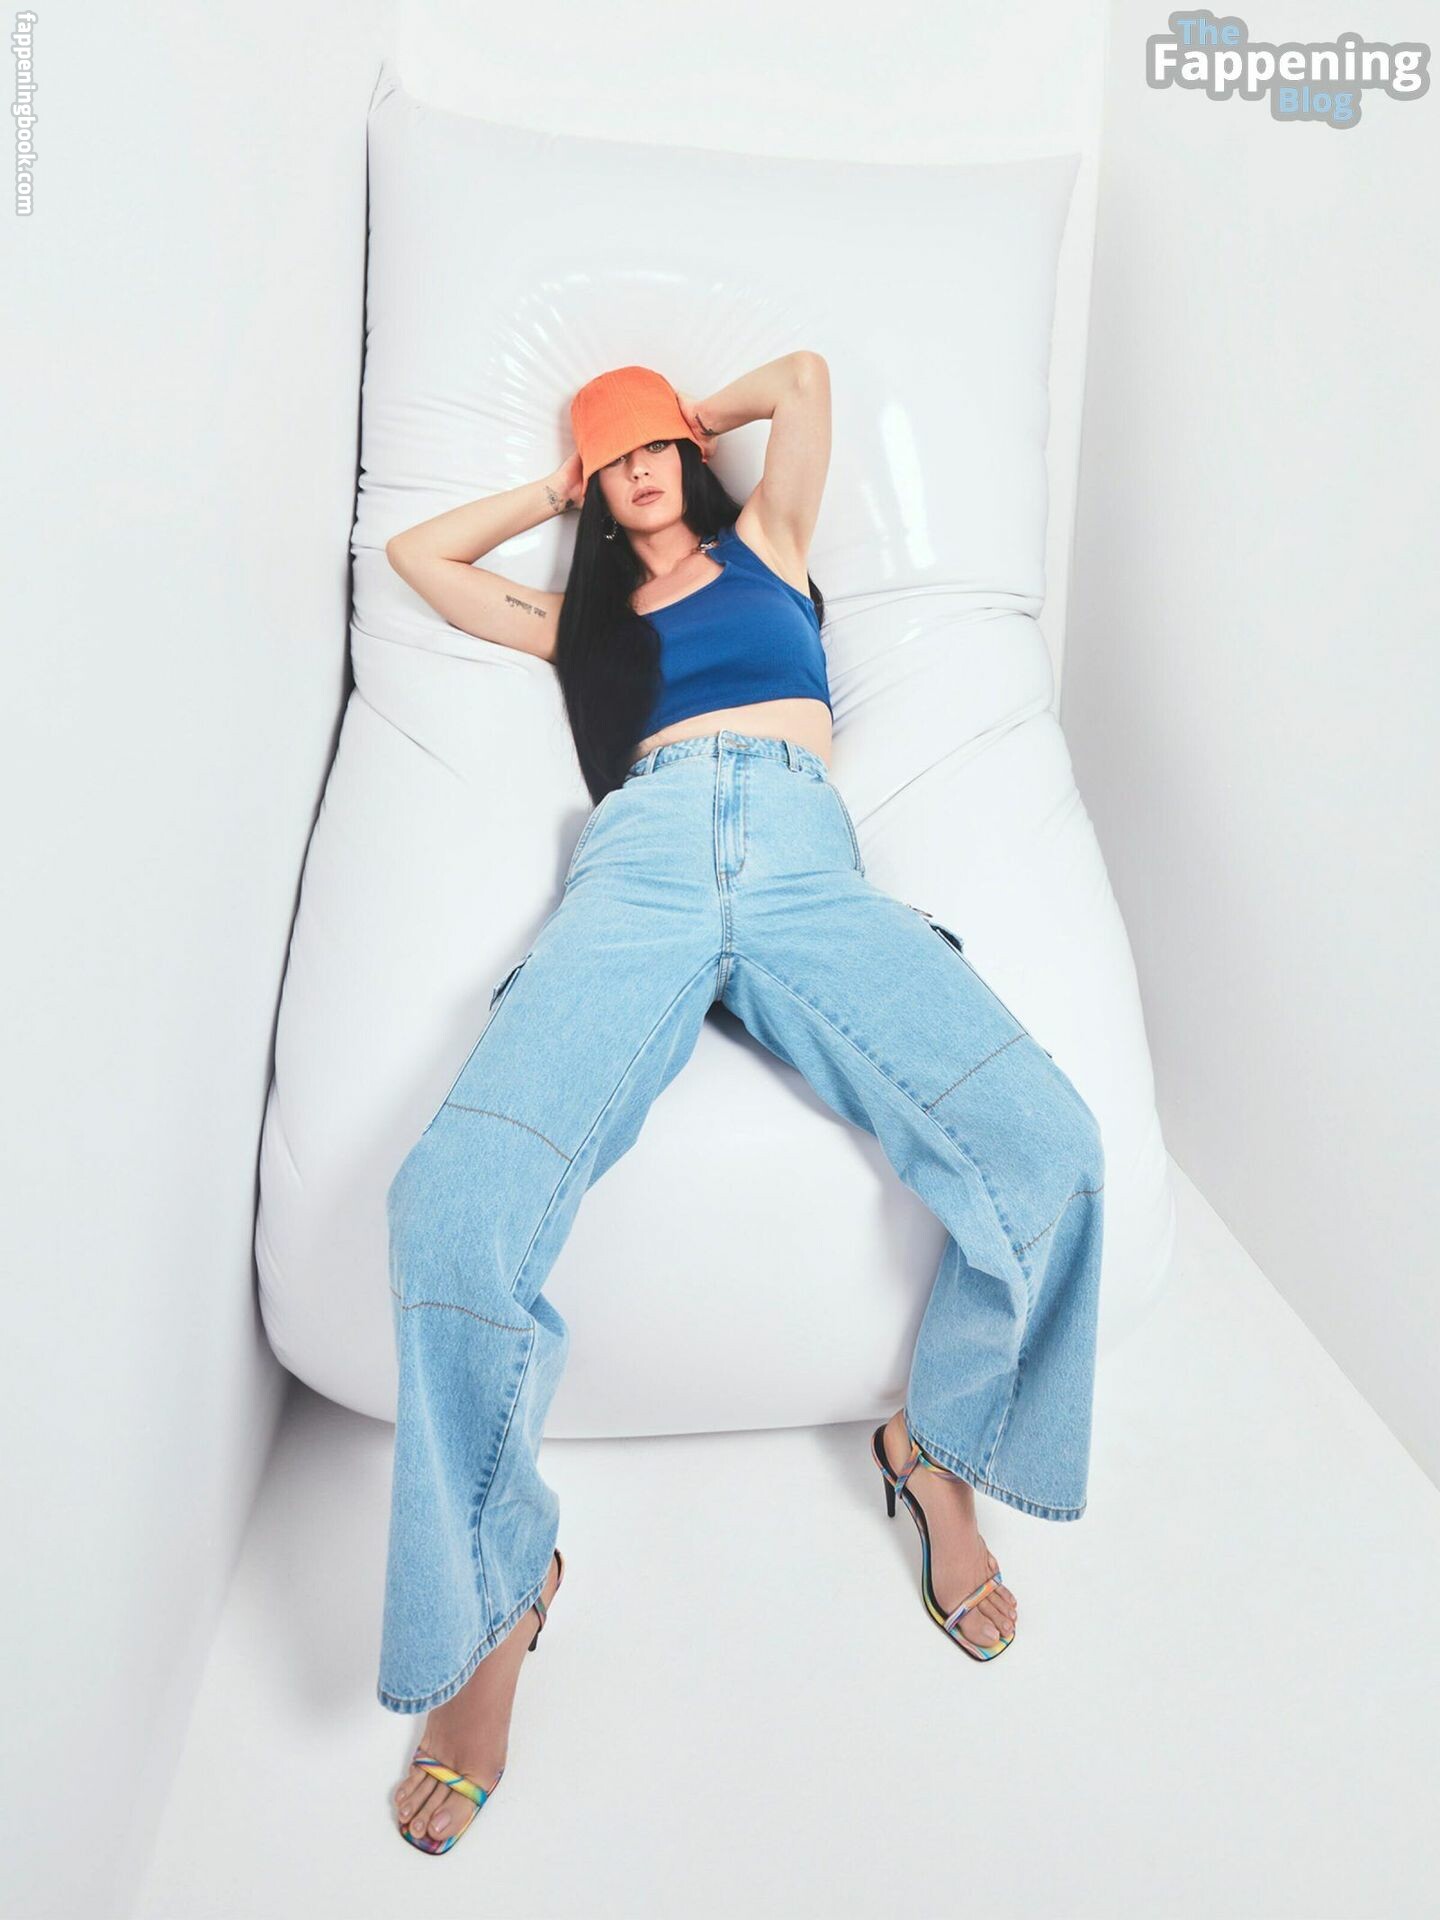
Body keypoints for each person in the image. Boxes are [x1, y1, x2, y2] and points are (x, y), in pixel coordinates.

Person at [381, 353, 1105, 1855]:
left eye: (656, 442)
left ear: (691, 453)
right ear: (593, 487)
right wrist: (557, 486)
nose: (643, 463)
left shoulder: (771, 546)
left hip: (803, 860)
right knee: (449, 1209)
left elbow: (807, 379)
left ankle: (939, 1449)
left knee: (1052, 1152)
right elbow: (419, 559)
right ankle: (498, 1597)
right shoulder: (579, 622)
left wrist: (682, 418)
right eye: (616, 454)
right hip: (639, 865)